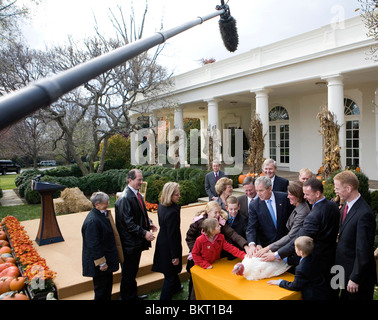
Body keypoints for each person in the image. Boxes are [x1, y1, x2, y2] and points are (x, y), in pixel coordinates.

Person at [274, 178, 340, 298]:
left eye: (307, 194)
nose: (304, 197)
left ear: (318, 193)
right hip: (331, 259)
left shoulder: (313, 216)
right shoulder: (333, 206)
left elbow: (298, 239)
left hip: (315, 264)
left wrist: (277, 255)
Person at [185, 201, 250, 298]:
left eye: (219, 212)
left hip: (213, 261)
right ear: (208, 212)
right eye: (215, 212)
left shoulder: (220, 230)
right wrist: (200, 250)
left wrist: (245, 250)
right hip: (199, 261)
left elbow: (232, 238)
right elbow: (191, 241)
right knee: (196, 285)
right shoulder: (198, 227)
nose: (218, 215)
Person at [115, 169, 158, 300]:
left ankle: (132, 296)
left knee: (132, 272)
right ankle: (126, 297)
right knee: (128, 273)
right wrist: (144, 233)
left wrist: (148, 223)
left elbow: (141, 214)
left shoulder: (137, 195)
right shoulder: (125, 198)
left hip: (135, 243)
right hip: (129, 244)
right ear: (130, 180)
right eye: (139, 179)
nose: (141, 182)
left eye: (141, 179)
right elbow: (128, 224)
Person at [333, 170, 376, 300]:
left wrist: (355, 278)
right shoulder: (346, 205)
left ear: (348, 188)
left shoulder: (364, 214)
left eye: (337, 188)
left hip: (355, 276)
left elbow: (363, 250)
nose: (335, 191)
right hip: (340, 269)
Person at [82, 192, 121, 300]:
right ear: (97, 205)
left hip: (106, 260)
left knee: (107, 288)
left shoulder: (100, 215)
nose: (108, 205)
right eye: (105, 203)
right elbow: (93, 245)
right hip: (100, 265)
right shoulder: (93, 221)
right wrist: (102, 263)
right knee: (101, 290)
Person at [258, 181, 310, 260]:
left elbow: (291, 236)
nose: (288, 197)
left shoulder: (302, 212)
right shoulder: (297, 206)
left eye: (290, 194)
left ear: (298, 196)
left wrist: (268, 248)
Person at [246, 176, 294, 256]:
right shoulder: (254, 205)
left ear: (270, 188)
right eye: (257, 190)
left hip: (287, 244)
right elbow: (251, 227)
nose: (258, 194)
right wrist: (252, 245)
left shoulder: (284, 198)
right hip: (267, 248)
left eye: (261, 190)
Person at [152, 182, 183, 300]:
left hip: (162, 241)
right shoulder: (172, 212)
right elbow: (173, 235)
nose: (179, 196)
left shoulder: (161, 206)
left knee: (170, 271)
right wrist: (174, 255)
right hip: (169, 244)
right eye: (176, 195)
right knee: (170, 276)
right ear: (169, 195)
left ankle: (176, 287)